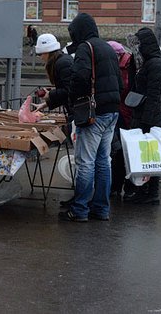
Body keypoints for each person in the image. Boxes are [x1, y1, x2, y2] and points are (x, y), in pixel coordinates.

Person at [59, 13, 123, 222]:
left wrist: (73, 98)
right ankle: (101, 209)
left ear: (79, 31)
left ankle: (79, 210)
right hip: (112, 111)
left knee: (85, 162)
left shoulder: (86, 48)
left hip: (94, 114)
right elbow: (119, 81)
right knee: (103, 161)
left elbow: (79, 78)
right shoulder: (107, 48)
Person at [126, 28, 161, 205]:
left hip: (149, 118)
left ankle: (152, 194)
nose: (137, 47)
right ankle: (144, 191)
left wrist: (146, 122)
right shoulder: (148, 62)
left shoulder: (155, 64)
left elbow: (154, 95)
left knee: (152, 157)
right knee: (146, 157)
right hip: (145, 115)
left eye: (139, 44)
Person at [107, 40, 136, 199]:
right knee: (117, 152)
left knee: (125, 152)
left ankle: (127, 186)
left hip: (126, 113)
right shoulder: (121, 65)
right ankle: (117, 186)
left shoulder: (127, 66)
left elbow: (124, 88)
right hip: (120, 112)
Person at [32, 33, 73, 116]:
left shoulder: (62, 63)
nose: (40, 57)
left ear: (47, 52)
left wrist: (50, 94)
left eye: (40, 54)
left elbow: (69, 91)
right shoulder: (61, 60)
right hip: (75, 110)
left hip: (76, 112)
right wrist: (46, 104)